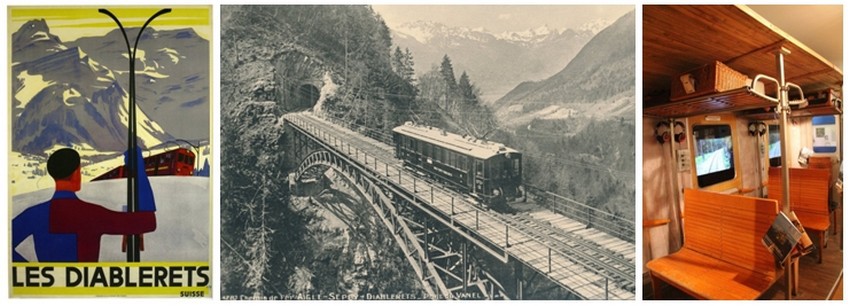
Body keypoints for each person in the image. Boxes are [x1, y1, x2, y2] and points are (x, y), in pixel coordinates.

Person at [12, 148, 156, 262]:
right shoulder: (92, 214)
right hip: (85, 292)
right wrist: (139, 172)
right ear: (76, 173)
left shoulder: (34, 214)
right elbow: (148, 222)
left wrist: (31, 272)